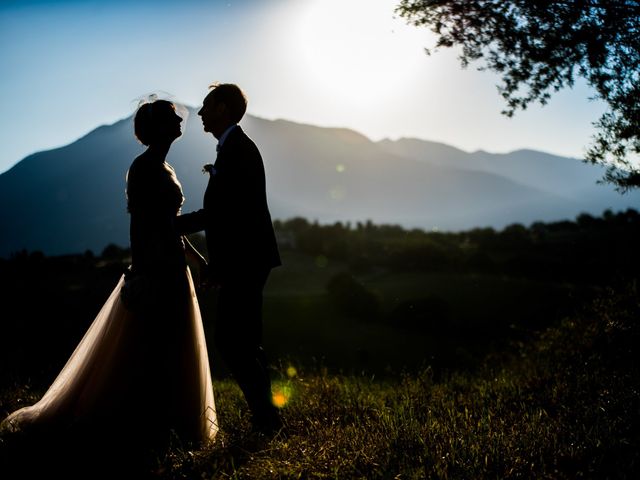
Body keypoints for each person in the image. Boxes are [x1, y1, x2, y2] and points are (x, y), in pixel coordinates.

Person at [0, 98, 217, 473]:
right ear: (157, 128)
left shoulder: (164, 167)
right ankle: (133, 428)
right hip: (155, 271)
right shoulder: (144, 168)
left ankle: (170, 426)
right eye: (171, 117)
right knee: (146, 350)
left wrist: (197, 262)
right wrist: (143, 272)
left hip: (173, 271)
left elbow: (171, 226)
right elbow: (146, 228)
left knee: (173, 347)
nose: (180, 120)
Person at [176, 83, 282, 435]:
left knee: (231, 341)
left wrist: (171, 223)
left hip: (246, 258)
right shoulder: (233, 148)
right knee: (246, 339)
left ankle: (266, 418)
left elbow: (224, 212)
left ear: (222, 108)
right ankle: (267, 417)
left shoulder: (238, 149)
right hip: (248, 257)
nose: (202, 113)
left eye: (207, 106)